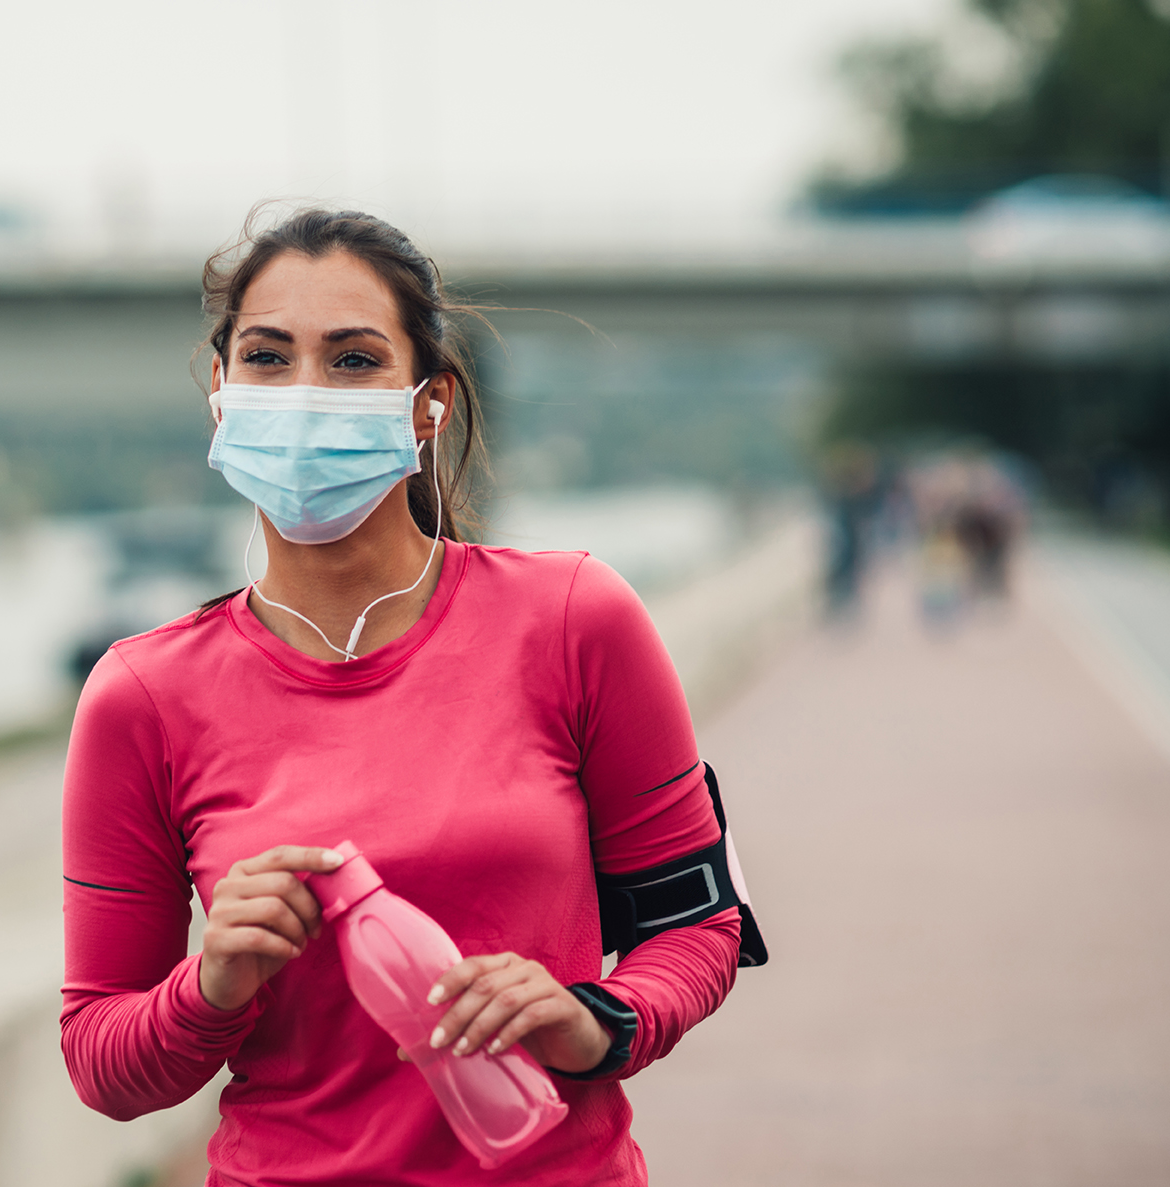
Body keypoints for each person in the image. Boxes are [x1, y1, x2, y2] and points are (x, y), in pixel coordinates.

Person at [61, 209, 745, 1185]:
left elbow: (699, 926)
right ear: (220, 393)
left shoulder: (572, 617)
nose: (303, 392)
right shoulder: (141, 695)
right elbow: (102, 1063)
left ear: (429, 402)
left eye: (351, 360)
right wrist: (209, 984)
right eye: (266, 356)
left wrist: (590, 1018)